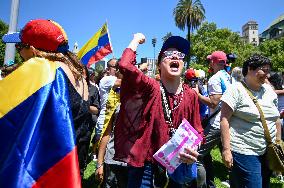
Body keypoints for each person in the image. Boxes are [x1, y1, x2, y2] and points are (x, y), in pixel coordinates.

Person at [2, 19, 92, 178]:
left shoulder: (43, 70)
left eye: (19, 46)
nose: (19, 52)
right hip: (70, 164)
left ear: (33, 50)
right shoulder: (79, 73)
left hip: (44, 168)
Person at [114, 33, 203, 187]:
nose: (175, 56)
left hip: (177, 163)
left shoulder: (190, 95)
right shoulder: (151, 87)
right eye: (169, 54)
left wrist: (193, 148)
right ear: (159, 64)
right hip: (146, 166)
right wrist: (136, 40)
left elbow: (198, 130)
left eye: (180, 55)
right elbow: (125, 66)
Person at [220, 54, 281, 187]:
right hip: (244, 150)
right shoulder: (235, 90)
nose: (267, 74)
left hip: (267, 150)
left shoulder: (269, 91)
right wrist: (226, 150)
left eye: (268, 70)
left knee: (265, 184)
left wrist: (278, 141)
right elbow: (224, 120)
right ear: (250, 69)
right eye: (264, 70)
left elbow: (276, 118)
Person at [196, 51, 232, 187]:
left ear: (214, 62)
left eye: (210, 60)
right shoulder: (228, 77)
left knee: (196, 155)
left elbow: (213, 102)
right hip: (228, 121)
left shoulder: (215, 78)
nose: (209, 63)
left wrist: (197, 95)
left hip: (217, 124)